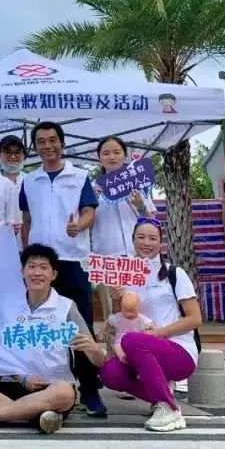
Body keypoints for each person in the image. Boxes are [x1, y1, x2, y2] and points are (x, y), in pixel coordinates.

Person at [0, 244, 105, 433]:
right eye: (32, 267)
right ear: (22, 272)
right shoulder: (8, 305)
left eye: (43, 268)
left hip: (51, 387)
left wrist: (94, 349)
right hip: (12, 383)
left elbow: (97, 360)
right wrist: (23, 378)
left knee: (65, 393)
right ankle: (36, 415)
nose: (37, 273)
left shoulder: (66, 307)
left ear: (54, 274)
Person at [19, 120, 106, 417]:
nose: (47, 146)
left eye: (52, 140)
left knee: (79, 327)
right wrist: (26, 254)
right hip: (40, 265)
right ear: (35, 147)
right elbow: (27, 219)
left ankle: (90, 390)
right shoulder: (29, 180)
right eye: (41, 141)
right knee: (36, 325)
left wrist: (78, 226)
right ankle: (39, 384)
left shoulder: (79, 176)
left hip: (72, 260)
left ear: (62, 143)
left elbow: (89, 212)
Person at [100, 218, 202, 433]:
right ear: (132, 240)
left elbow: (194, 319)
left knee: (132, 341)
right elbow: (122, 318)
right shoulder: (125, 275)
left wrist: (158, 334)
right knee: (110, 373)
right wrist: (116, 299)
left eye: (153, 238)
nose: (146, 243)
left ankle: (168, 408)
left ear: (160, 244)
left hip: (177, 349)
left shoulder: (174, 274)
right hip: (137, 348)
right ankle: (161, 395)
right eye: (141, 237)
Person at [90, 136, 157, 325]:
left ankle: (141, 343)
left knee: (140, 307)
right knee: (112, 312)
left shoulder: (139, 186)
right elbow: (85, 222)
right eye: (106, 153)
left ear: (125, 156)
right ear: (99, 157)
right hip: (106, 257)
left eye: (116, 152)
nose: (112, 157)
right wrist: (92, 202)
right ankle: (115, 345)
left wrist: (140, 205)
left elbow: (153, 222)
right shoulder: (92, 189)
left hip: (136, 255)